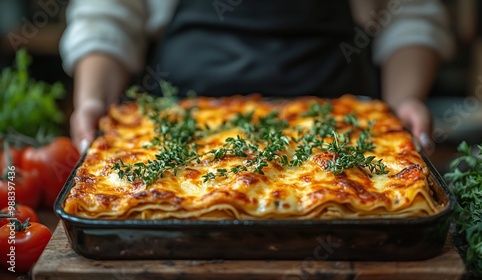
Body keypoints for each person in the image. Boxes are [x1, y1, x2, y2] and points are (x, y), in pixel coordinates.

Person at [60, 0, 454, 155]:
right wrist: (94, 101)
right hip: (168, 131)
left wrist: (406, 101)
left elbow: (410, 13)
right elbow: (107, 13)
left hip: (343, 135)